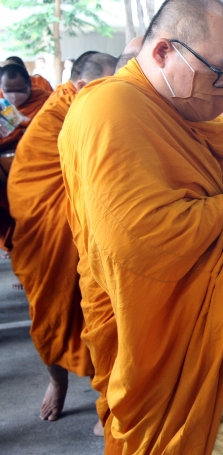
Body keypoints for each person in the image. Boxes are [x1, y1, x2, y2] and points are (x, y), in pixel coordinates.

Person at [58, 0, 223, 455]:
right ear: (162, 52)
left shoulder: (180, 115)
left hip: (205, 320)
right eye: (220, 74)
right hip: (155, 331)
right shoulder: (110, 109)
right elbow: (145, 238)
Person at [8, 52, 116, 430]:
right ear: (83, 86)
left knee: (103, 310)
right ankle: (58, 381)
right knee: (54, 311)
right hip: (49, 230)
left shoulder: (94, 105)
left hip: (83, 225)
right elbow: (34, 183)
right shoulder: (64, 111)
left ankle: (109, 396)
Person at [0, 64, 53, 252]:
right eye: (8, 90)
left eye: (20, 90)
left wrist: (26, 125)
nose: (14, 95)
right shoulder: (0, 102)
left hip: (36, 167)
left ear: (29, 85)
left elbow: (50, 133)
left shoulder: (46, 102)